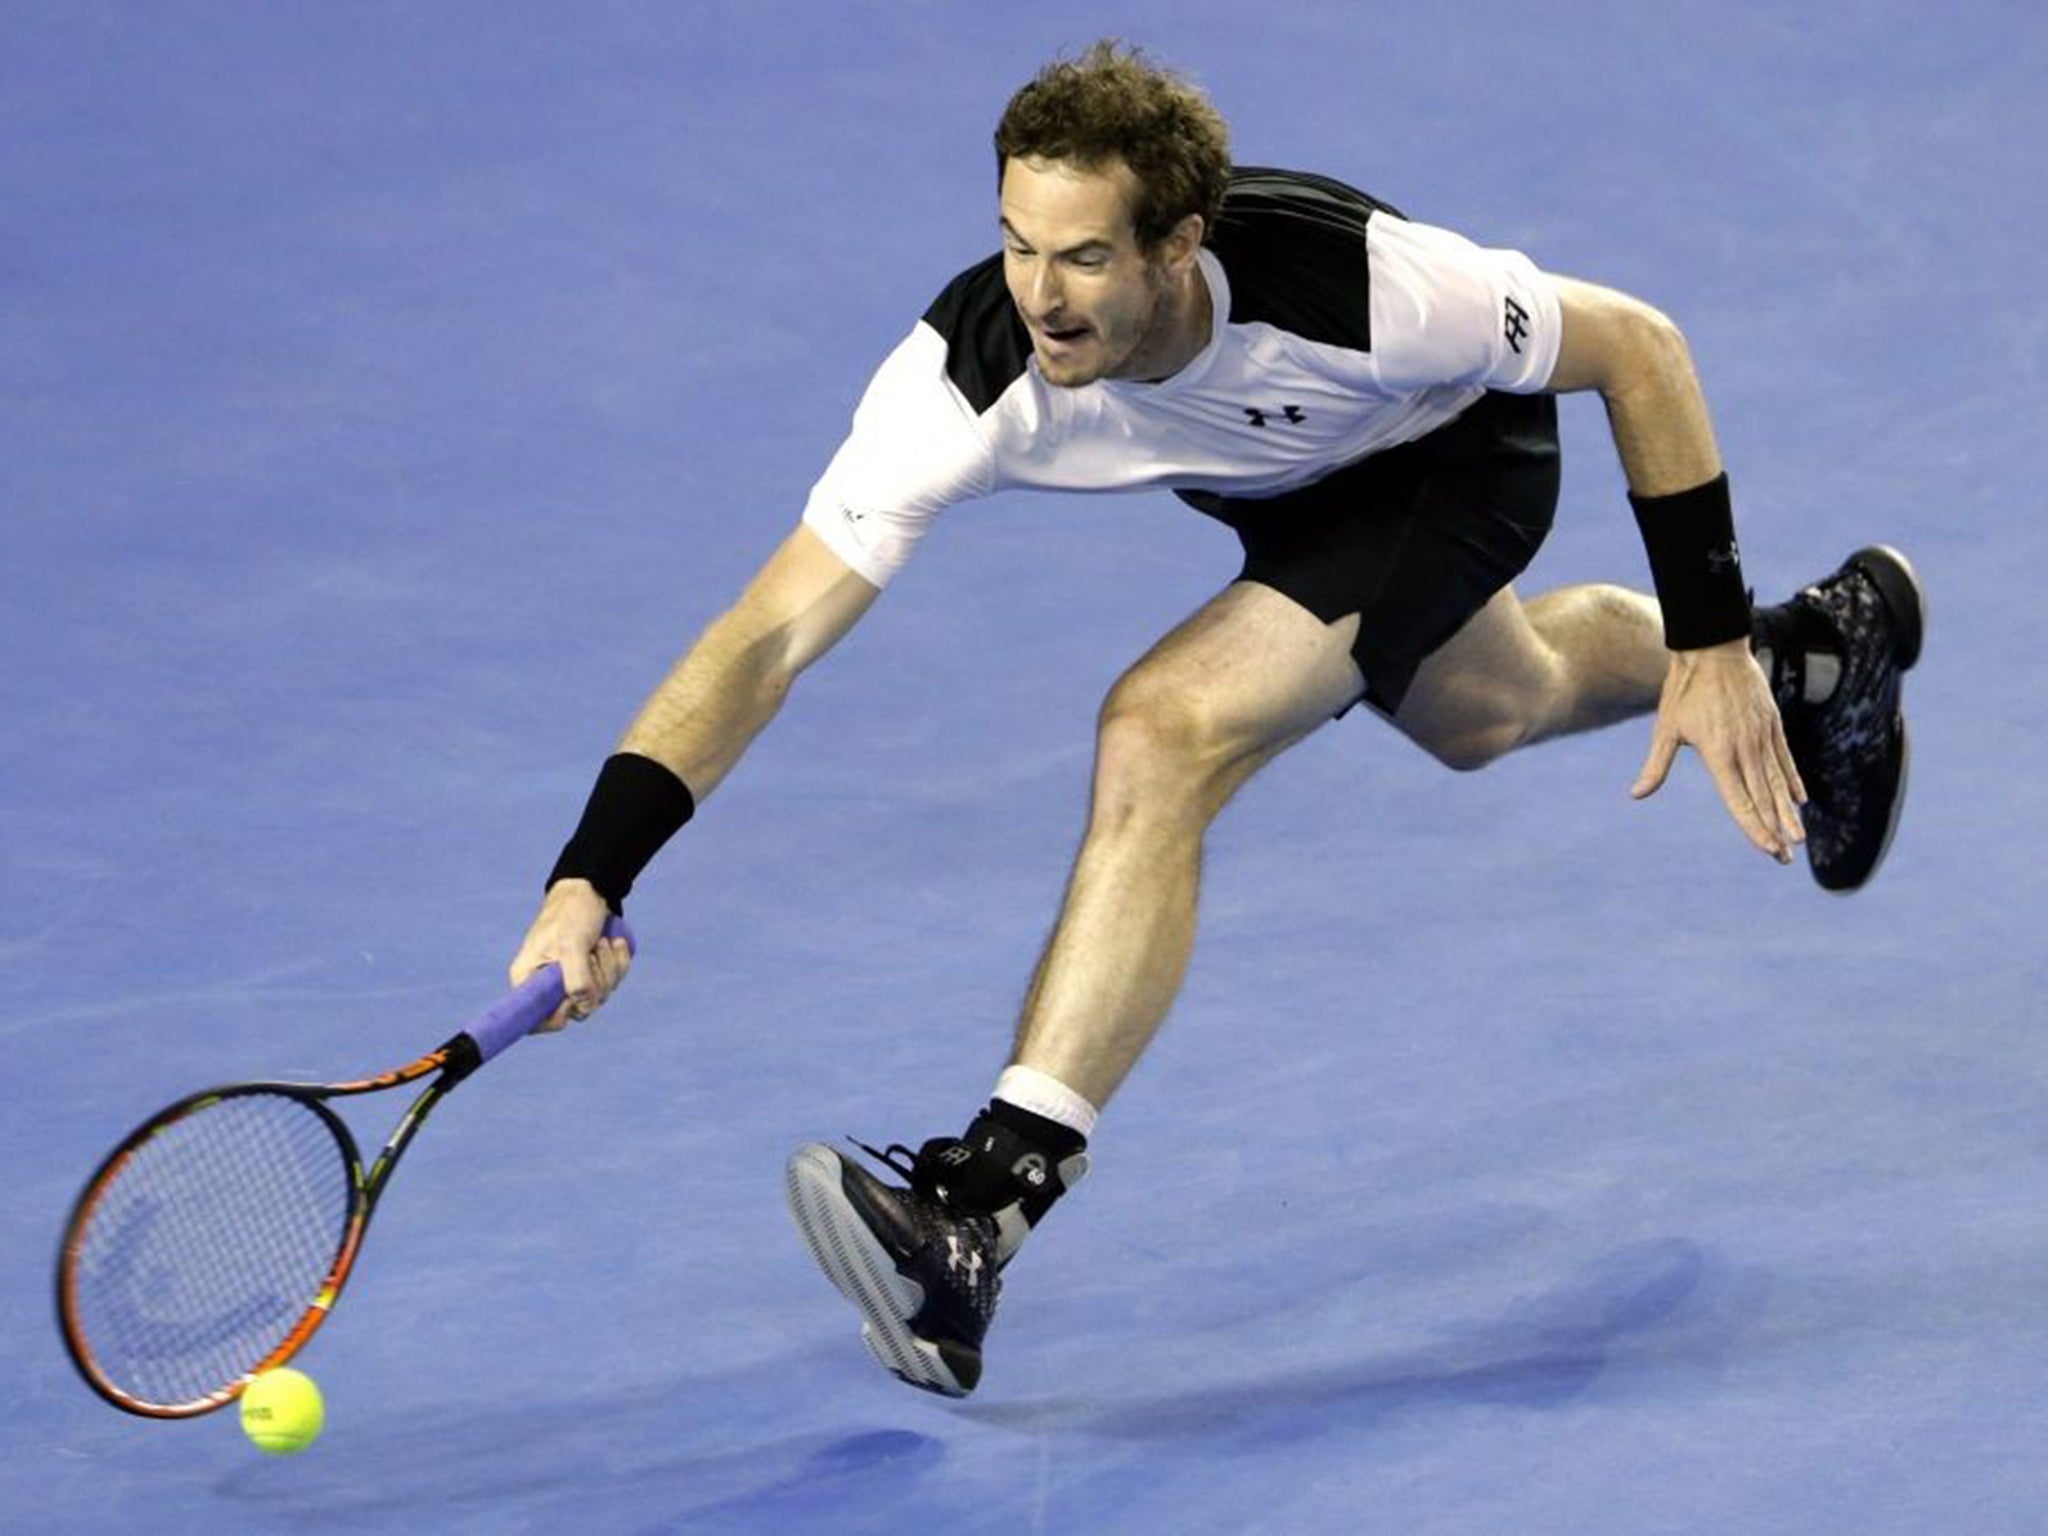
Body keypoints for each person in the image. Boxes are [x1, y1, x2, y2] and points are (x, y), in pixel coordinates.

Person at [509, 41, 1923, 1398]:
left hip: (1452, 456)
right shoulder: (966, 381)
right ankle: (1827, 652)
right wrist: (594, 871)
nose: (1042, 295)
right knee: (1489, 711)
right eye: (1016, 242)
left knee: (1162, 730)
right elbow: (762, 640)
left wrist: (1709, 631)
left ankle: (985, 1211)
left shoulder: (1361, 284)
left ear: (1179, 244)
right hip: (1295, 494)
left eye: (1084, 256)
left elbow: (1640, 348)